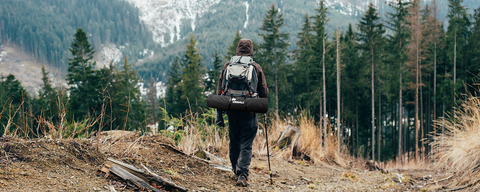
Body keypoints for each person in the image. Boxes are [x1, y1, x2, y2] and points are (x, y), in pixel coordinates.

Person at [215, 39, 268, 186]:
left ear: (237, 49)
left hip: (232, 111)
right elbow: (264, 91)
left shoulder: (228, 66)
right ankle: (242, 174)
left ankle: (235, 169)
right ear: (251, 50)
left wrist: (219, 113)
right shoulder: (255, 67)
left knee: (234, 141)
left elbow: (220, 91)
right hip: (249, 112)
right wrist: (261, 103)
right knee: (246, 144)